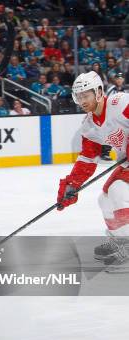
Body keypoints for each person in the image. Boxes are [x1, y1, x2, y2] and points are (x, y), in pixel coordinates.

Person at [56, 71, 129, 268]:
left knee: (118, 191)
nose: (82, 101)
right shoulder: (89, 125)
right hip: (127, 163)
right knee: (104, 199)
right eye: (78, 97)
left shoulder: (119, 103)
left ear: (98, 92)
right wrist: (73, 184)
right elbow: (88, 158)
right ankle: (119, 241)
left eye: (85, 95)